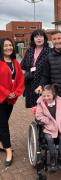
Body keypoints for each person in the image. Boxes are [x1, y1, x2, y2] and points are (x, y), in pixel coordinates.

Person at [0, 38, 24, 166]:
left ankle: (2, 142)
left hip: (10, 99)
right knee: (3, 124)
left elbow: (20, 78)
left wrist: (16, 92)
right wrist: (6, 93)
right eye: (5, 45)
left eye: (10, 45)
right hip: (1, 97)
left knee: (3, 122)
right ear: (1, 47)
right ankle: (8, 150)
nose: (8, 47)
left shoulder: (15, 62)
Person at [35, 84, 61, 171]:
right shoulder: (40, 103)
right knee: (49, 139)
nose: (46, 98)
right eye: (44, 96)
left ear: (53, 94)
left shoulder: (59, 101)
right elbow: (38, 115)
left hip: (59, 127)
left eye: (48, 95)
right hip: (48, 128)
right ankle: (52, 159)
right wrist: (47, 120)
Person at [21, 29, 50, 108]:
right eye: (36, 37)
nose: (39, 38)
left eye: (41, 36)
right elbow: (22, 67)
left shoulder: (49, 51)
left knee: (45, 108)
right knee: (34, 108)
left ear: (44, 38)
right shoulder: (29, 51)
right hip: (30, 85)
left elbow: (50, 70)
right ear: (33, 39)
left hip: (44, 85)